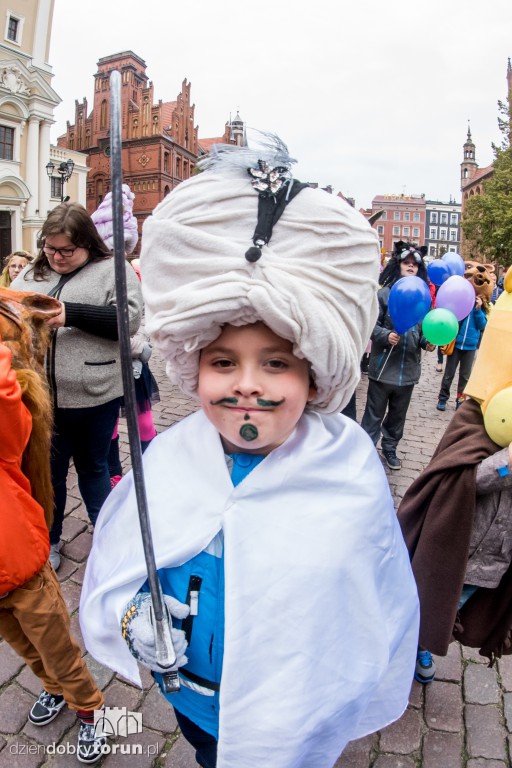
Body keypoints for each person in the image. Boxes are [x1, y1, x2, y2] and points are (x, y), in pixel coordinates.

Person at [80, 136, 419, 768]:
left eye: (276, 364)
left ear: (313, 376)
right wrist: (135, 617)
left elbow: (364, 601)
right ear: (196, 368)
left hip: (290, 713)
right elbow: (131, 554)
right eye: (223, 363)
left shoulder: (345, 471)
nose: (246, 384)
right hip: (195, 704)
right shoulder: (172, 459)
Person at [0, 289, 106, 764]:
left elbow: (6, 397)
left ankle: (90, 709)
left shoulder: (7, 424)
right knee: (24, 646)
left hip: (18, 563)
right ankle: (52, 690)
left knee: (56, 645)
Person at [11, 202, 142, 569]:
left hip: (93, 395)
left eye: (67, 250)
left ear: (87, 242)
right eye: (50, 248)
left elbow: (128, 319)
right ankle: (49, 541)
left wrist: (71, 313)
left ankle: (108, 538)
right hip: (41, 400)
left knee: (94, 468)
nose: (57, 257)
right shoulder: (34, 273)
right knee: (48, 475)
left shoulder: (112, 270)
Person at [398, 267, 512, 685]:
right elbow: (465, 478)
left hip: (497, 557)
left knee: (458, 606)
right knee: (431, 599)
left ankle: (424, 640)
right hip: (462, 545)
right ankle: (412, 645)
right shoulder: (476, 421)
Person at [90, 185, 159, 487]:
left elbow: (144, 318)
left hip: (131, 364)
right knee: (109, 428)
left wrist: (138, 344)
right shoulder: (93, 276)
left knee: (142, 421)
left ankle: (154, 468)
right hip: (103, 366)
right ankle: (114, 475)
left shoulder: (133, 275)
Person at [361, 241, 435, 470]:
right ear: (398, 265)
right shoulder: (383, 294)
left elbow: (422, 332)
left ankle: (390, 449)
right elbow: (371, 325)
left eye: (415, 264)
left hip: (408, 372)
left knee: (397, 418)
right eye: (406, 263)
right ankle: (365, 451)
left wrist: (428, 343)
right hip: (383, 369)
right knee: (373, 415)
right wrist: (385, 335)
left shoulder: (423, 300)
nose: (411, 266)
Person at [436, 294, 488, 412]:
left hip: (470, 347)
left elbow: (482, 325)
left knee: (465, 377)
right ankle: (442, 399)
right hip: (457, 345)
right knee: (449, 373)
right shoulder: (462, 301)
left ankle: (460, 401)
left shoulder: (482, 307)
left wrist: (478, 310)